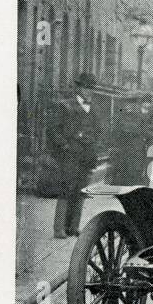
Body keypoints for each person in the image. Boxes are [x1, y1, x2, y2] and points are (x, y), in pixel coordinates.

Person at [49, 73, 102, 237]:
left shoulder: (94, 109)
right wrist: (64, 145)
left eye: (91, 88)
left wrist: (94, 145)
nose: (89, 92)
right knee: (66, 188)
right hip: (70, 155)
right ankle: (59, 228)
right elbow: (53, 130)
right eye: (86, 88)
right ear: (78, 88)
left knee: (81, 190)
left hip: (86, 156)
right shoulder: (65, 106)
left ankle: (73, 227)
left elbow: (99, 132)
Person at [108, 94, 150, 187]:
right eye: (127, 104)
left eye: (132, 104)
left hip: (136, 150)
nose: (129, 106)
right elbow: (115, 132)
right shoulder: (120, 116)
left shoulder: (140, 117)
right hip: (125, 150)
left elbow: (145, 132)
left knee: (134, 172)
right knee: (124, 172)